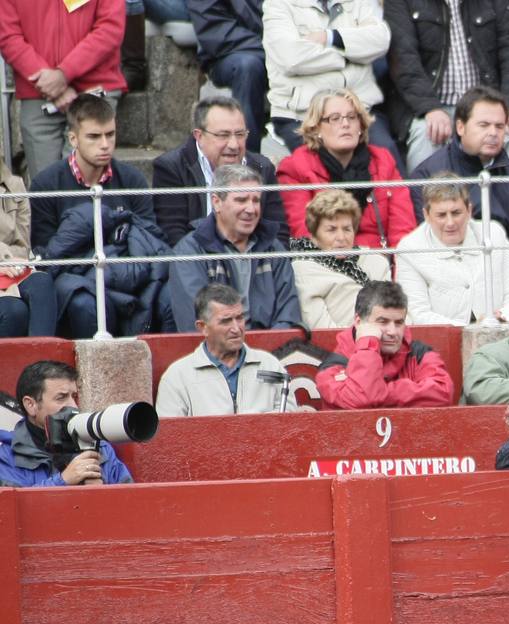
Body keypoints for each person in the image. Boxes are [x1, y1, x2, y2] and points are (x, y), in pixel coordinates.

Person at [384, 0, 509, 172]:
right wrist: (429, 108)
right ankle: (425, 198)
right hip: (432, 106)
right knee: (427, 132)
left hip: (487, 106)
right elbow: (404, 61)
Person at [408, 87, 509, 272]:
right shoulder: (426, 175)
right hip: (447, 281)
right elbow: (428, 243)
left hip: (506, 280)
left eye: (500, 126)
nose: (493, 133)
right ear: (460, 127)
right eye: (484, 125)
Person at [261, 0, 404, 166]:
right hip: (302, 114)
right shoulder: (278, 4)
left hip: (358, 110)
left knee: (387, 156)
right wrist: (349, 55)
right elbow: (291, 58)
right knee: (324, 168)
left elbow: (381, 39)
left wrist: (331, 38)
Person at [167, 164, 304, 332]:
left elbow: (288, 314)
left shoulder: (273, 247)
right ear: (216, 202)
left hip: (272, 352)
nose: (251, 209)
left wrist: (269, 350)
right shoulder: (189, 252)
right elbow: (196, 324)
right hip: (214, 353)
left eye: (256, 200)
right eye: (241, 200)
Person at [276, 90, 416, 250]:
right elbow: (304, 235)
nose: (345, 124)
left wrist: (397, 271)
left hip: (381, 263)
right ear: (317, 129)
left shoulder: (383, 161)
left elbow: (403, 231)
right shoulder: (295, 168)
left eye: (352, 117)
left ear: (361, 126)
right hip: (327, 265)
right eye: (334, 118)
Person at [0, 0, 125, 178]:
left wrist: (64, 73)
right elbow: (8, 36)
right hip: (39, 90)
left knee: (86, 184)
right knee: (44, 185)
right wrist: (53, 84)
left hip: (93, 87)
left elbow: (110, 28)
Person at [29, 95, 159, 260]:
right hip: (69, 278)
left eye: (110, 134)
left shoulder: (132, 179)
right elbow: (45, 253)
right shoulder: (45, 185)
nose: (105, 144)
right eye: (94, 136)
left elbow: (149, 241)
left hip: (127, 276)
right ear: (73, 139)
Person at [152, 98, 288, 246]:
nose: (234, 145)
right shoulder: (172, 168)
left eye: (240, 134)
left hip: (254, 262)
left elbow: (278, 232)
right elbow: (173, 236)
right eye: (223, 135)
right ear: (199, 136)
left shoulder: (262, 168)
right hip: (198, 263)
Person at [395, 181, 509, 326]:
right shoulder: (409, 249)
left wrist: (504, 317)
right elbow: (418, 314)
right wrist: (471, 329)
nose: (450, 222)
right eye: (441, 215)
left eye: (456, 213)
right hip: (442, 342)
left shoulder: (493, 234)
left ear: (469, 210)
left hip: (498, 334)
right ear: (426, 215)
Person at [156, 284, 300, 416]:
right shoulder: (177, 377)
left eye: (240, 318)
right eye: (226, 321)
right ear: (203, 327)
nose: (236, 329)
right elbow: (171, 437)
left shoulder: (270, 364)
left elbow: (290, 423)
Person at [316, 281, 455, 410]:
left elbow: (443, 392)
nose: (393, 331)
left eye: (399, 322)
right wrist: (368, 343)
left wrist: (380, 392)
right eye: (383, 322)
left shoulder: (420, 354)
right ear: (359, 322)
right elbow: (362, 399)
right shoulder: (332, 367)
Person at [0, 361, 132, 487]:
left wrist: (102, 492)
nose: (73, 406)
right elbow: (13, 507)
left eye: (74, 396)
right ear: (31, 405)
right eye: (61, 398)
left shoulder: (99, 447)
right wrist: (63, 481)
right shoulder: (6, 456)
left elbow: (132, 502)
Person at [291, 189, 391, 330]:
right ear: (314, 235)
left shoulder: (376, 262)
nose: (341, 237)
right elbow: (322, 330)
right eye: (331, 229)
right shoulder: (303, 268)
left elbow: (394, 313)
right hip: (339, 346)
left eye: (347, 229)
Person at [186, 0, 268, 153]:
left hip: (284, 49)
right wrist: (271, 47)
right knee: (248, 67)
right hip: (229, 53)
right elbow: (214, 29)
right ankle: (247, 160)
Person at [0, 162, 59, 337]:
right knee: (14, 311)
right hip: (6, 265)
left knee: (41, 282)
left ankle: (43, 363)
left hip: (12, 269)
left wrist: (6, 260)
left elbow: (23, 247)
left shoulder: (15, 185)